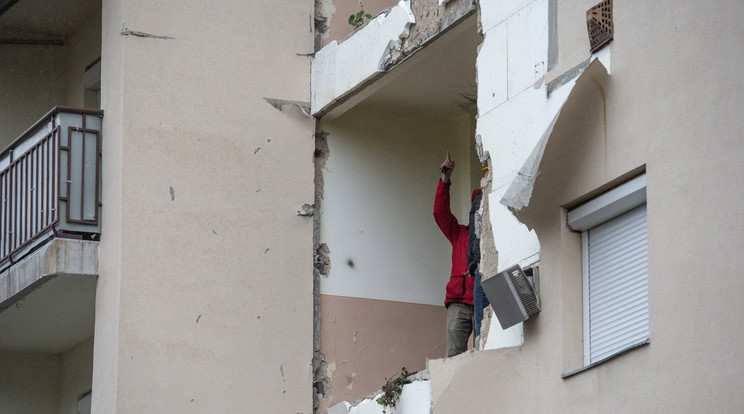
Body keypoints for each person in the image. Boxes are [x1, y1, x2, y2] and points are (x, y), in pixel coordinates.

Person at [433, 152, 476, 357]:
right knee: (453, 358)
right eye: (477, 207)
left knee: (485, 353)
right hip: (459, 300)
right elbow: (440, 213)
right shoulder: (460, 233)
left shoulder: (495, 236)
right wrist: (445, 179)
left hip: (483, 299)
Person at [468, 169, 490, 346]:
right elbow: (477, 233)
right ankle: (482, 346)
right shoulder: (479, 201)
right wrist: (478, 260)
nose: (485, 177)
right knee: (481, 317)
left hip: (497, 261)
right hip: (481, 264)